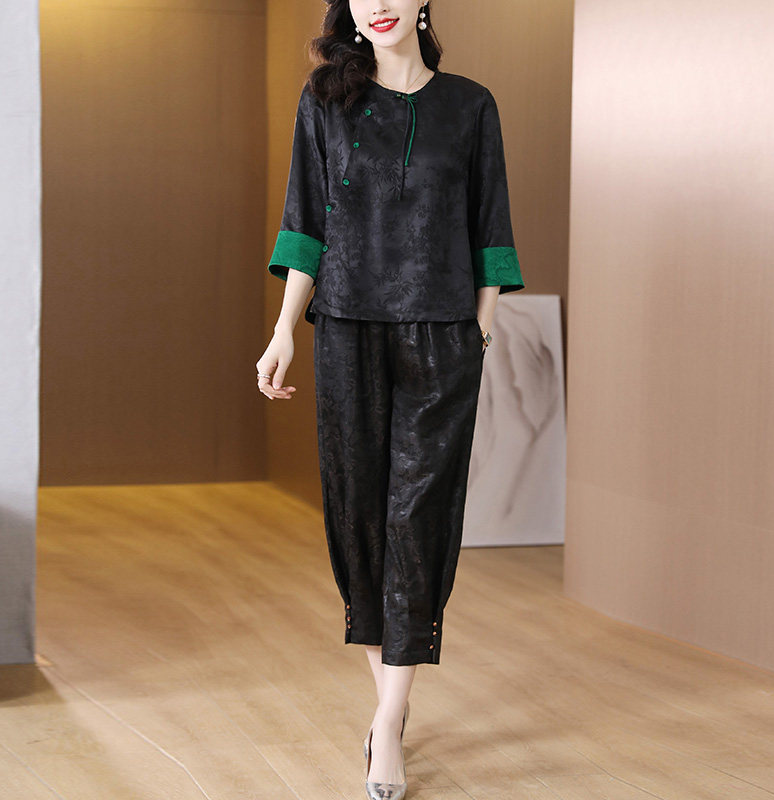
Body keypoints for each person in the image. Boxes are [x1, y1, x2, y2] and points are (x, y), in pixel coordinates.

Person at [255, 1, 524, 797]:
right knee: (360, 517)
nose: (378, 4)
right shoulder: (325, 100)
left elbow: (491, 227)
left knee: (419, 520)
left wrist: (480, 332)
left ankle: (388, 724)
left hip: (442, 337)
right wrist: (284, 330)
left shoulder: (471, 105)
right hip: (347, 330)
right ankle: (390, 711)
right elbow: (305, 222)